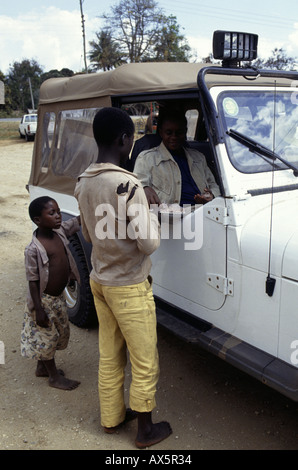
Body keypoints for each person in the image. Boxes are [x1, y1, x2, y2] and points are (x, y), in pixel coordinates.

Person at [74, 107, 172, 449]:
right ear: (124, 140)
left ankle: (112, 418)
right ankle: (145, 430)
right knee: (145, 360)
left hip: (100, 281)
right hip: (129, 285)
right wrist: (154, 218)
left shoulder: (82, 181)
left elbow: (86, 233)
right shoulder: (128, 184)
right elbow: (148, 243)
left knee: (110, 354)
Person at [21, 196, 81, 391]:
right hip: (43, 302)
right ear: (38, 220)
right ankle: (54, 377)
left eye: (58, 211)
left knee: (59, 333)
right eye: (52, 213)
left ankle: (41, 367)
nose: (58, 216)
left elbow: (75, 223)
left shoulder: (60, 232)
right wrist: (38, 309)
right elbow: (33, 280)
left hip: (57, 299)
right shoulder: (33, 249)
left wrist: (91, 207)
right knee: (47, 337)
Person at [134, 109, 220, 206]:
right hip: (169, 217)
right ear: (161, 133)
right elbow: (137, 185)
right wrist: (145, 188)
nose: (174, 137)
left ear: (185, 132)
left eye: (179, 133)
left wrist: (211, 195)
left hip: (204, 212)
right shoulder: (146, 158)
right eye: (169, 133)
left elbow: (214, 185)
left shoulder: (198, 157)